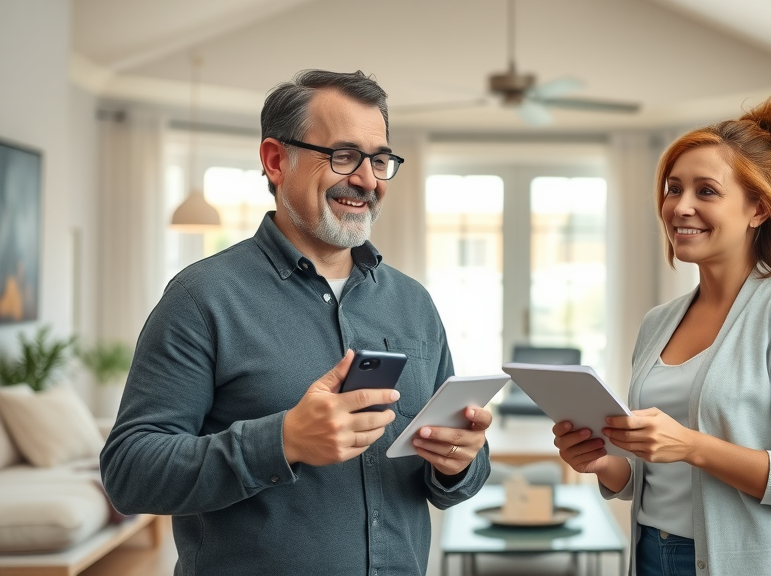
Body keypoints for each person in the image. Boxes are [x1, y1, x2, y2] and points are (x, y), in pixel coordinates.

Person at [100, 70, 492, 576]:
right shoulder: (201, 299)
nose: (368, 180)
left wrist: (460, 460)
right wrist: (283, 440)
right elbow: (130, 473)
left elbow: (454, 475)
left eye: (379, 159)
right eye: (344, 155)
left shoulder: (414, 303)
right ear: (274, 160)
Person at [553, 97, 771, 576]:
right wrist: (604, 465)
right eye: (673, 188)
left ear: (758, 210)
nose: (679, 206)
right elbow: (657, 473)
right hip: (650, 551)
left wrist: (693, 445)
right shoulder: (658, 323)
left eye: (706, 191)